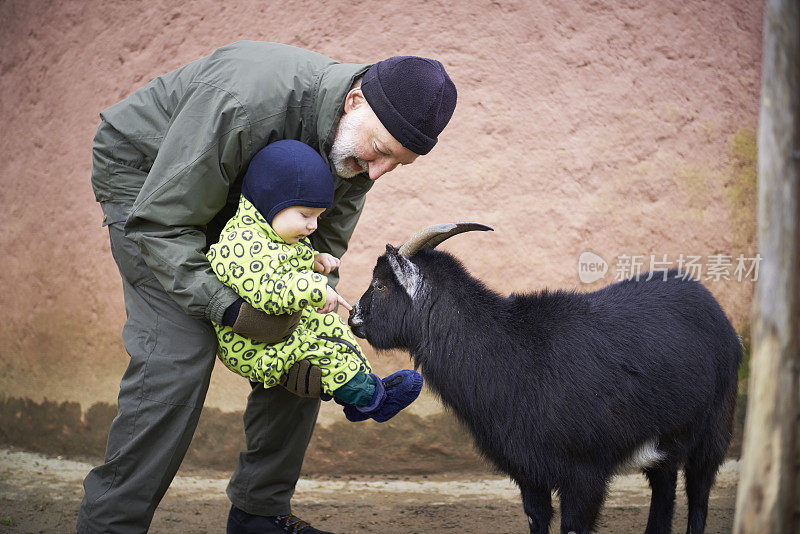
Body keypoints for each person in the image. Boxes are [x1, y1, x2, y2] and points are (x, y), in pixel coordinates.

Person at [79, 40, 456, 534]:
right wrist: (229, 309)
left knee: (304, 331)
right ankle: (111, 525)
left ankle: (260, 514)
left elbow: (319, 263)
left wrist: (311, 338)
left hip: (247, 211)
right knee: (180, 352)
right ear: (354, 101)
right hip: (153, 183)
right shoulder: (242, 103)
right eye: (382, 152)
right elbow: (163, 224)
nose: (379, 172)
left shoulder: (356, 152)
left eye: (397, 165)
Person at [209, 139, 423, 422]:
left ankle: (365, 390)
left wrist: (312, 260)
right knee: (325, 357)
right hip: (257, 344)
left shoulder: (274, 234)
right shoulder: (240, 241)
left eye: (318, 217)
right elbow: (266, 288)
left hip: (288, 325)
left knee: (335, 334)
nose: (313, 226)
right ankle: (372, 400)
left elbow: (283, 261)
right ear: (270, 202)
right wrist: (310, 287)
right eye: (306, 215)